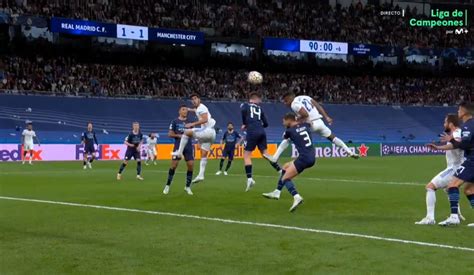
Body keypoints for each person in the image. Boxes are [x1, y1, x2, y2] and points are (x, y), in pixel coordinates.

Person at [271, 92, 359, 162]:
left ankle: (275, 158)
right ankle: (349, 151)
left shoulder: (294, 104)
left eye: (285, 101)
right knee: (332, 137)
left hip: (311, 124)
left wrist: (296, 119)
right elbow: (318, 106)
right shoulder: (305, 97)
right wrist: (326, 117)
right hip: (320, 122)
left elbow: (305, 114)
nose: (285, 103)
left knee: (288, 137)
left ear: (290, 98)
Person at [428, 102, 474, 227]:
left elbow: (464, 145)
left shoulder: (468, 126)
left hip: (472, 161)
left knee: (452, 185)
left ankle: (454, 217)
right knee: (469, 190)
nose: (458, 112)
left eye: (459, 109)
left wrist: (451, 140)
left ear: (464, 111)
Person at [416, 114, 464, 225]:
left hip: (454, 168)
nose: (444, 124)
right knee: (449, 189)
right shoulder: (458, 132)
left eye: (445, 122)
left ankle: (430, 218)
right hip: (458, 166)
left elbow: (455, 145)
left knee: (430, 187)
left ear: (451, 124)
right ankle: (456, 215)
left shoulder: (456, 133)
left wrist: (438, 147)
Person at [262, 113, 315, 212]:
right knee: (286, 166)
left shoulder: (289, 131)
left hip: (304, 158)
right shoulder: (305, 125)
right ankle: (277, 192)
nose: (283, 123)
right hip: (311, 156)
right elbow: (310, 123)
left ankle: (296, 197)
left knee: (285, 178)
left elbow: (285, 138)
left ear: (289, 120)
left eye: (284, 121)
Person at [241, 92, 281, 192]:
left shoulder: (245, 105)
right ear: (254, 99)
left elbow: (242, 111)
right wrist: (258, 126)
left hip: (252, 131)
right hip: (262, 132)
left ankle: (249, 179)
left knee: (247, 155)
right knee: (265, 154)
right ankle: (280, 170)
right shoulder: (260, 109)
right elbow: (266, 124)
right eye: (259, 99)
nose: (260, 101)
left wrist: (245, 124)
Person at [171, 94, 216, 184]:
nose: (194, 100)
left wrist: (192, 124)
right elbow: (195, 110)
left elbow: (205, 119)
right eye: (192, 99)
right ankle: (201, 175)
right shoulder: (198, 108)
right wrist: (188, 109)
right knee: (203, 154)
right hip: (212, 134)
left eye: (195, 99)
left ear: (199, 100)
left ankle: (179, 152)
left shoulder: (201, 108)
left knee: (186, 131)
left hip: (208, 131)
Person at [164, 105, 195, 195]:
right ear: (179, 111)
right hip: (178, 145)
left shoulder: (190, 122)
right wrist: (179, 136)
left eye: (186, 110)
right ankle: (167, 185)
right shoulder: (175, 121)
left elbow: (194, 132)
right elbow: (170, 134)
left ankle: (187, 186)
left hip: (188, 145)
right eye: (183, 110)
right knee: (174, 165)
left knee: (191, 165)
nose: (185, 111)